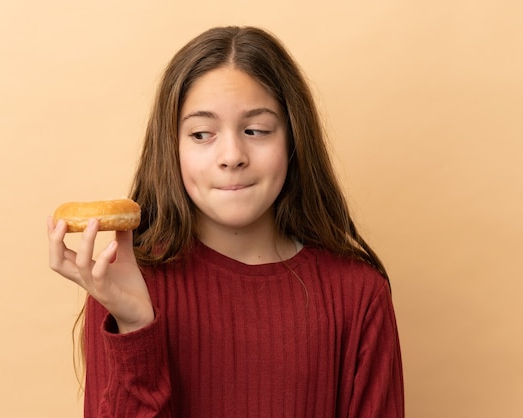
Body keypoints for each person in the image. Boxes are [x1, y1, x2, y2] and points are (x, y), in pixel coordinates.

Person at [47, 26, 404, 417]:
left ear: (293, 141)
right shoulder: (121, 287)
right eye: (202, 134)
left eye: (256, 130)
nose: (231, 155)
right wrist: (134, 328)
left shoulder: (357, 295)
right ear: (173, 148)